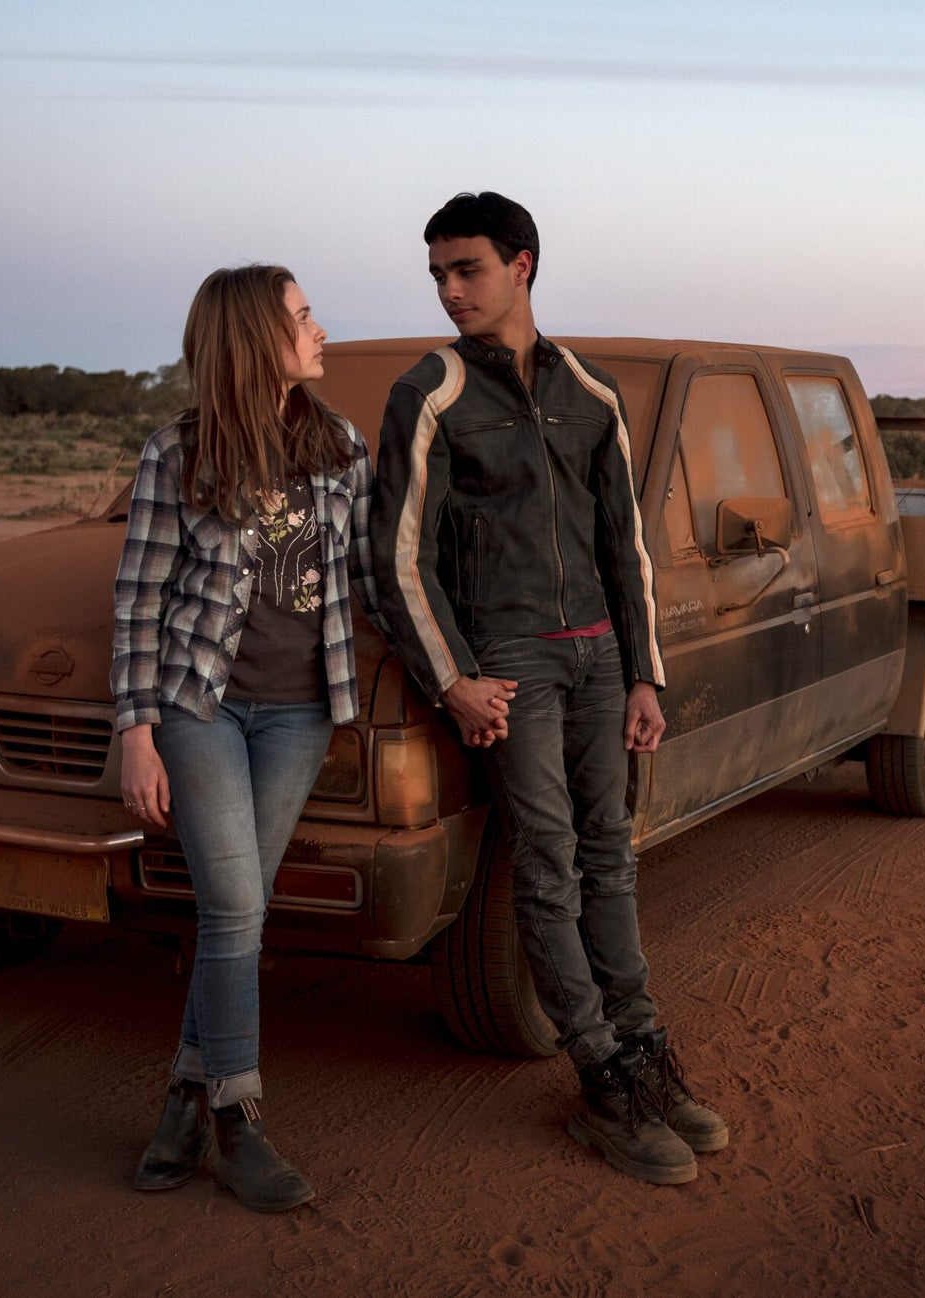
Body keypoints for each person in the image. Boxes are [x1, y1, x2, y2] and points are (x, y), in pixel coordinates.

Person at [370, 192, 727, 1185]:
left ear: (521, 265)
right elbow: (395, 554)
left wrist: (644, 672)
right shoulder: (429, 392)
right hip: (511, 660)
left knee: (610, 853)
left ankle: (647, 1054)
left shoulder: (590, 391)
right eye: (436, 273)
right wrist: (452, 678)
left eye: (465, 269)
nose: (448, 290)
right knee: (547, 860)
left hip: (601, 653)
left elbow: (626, 545)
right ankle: (603, 1083)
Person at [111, 264, 372, 1213]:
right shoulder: (176, 454)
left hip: (302, 711)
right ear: (256, 337)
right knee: (232, 906)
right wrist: (136, 734)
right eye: (302, 317)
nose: (319, 329)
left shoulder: (340, 445)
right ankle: (241, 1121)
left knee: (241, 911)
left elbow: (376, 577)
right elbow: (139, 605)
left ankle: (184, 1098)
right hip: (202, 706)